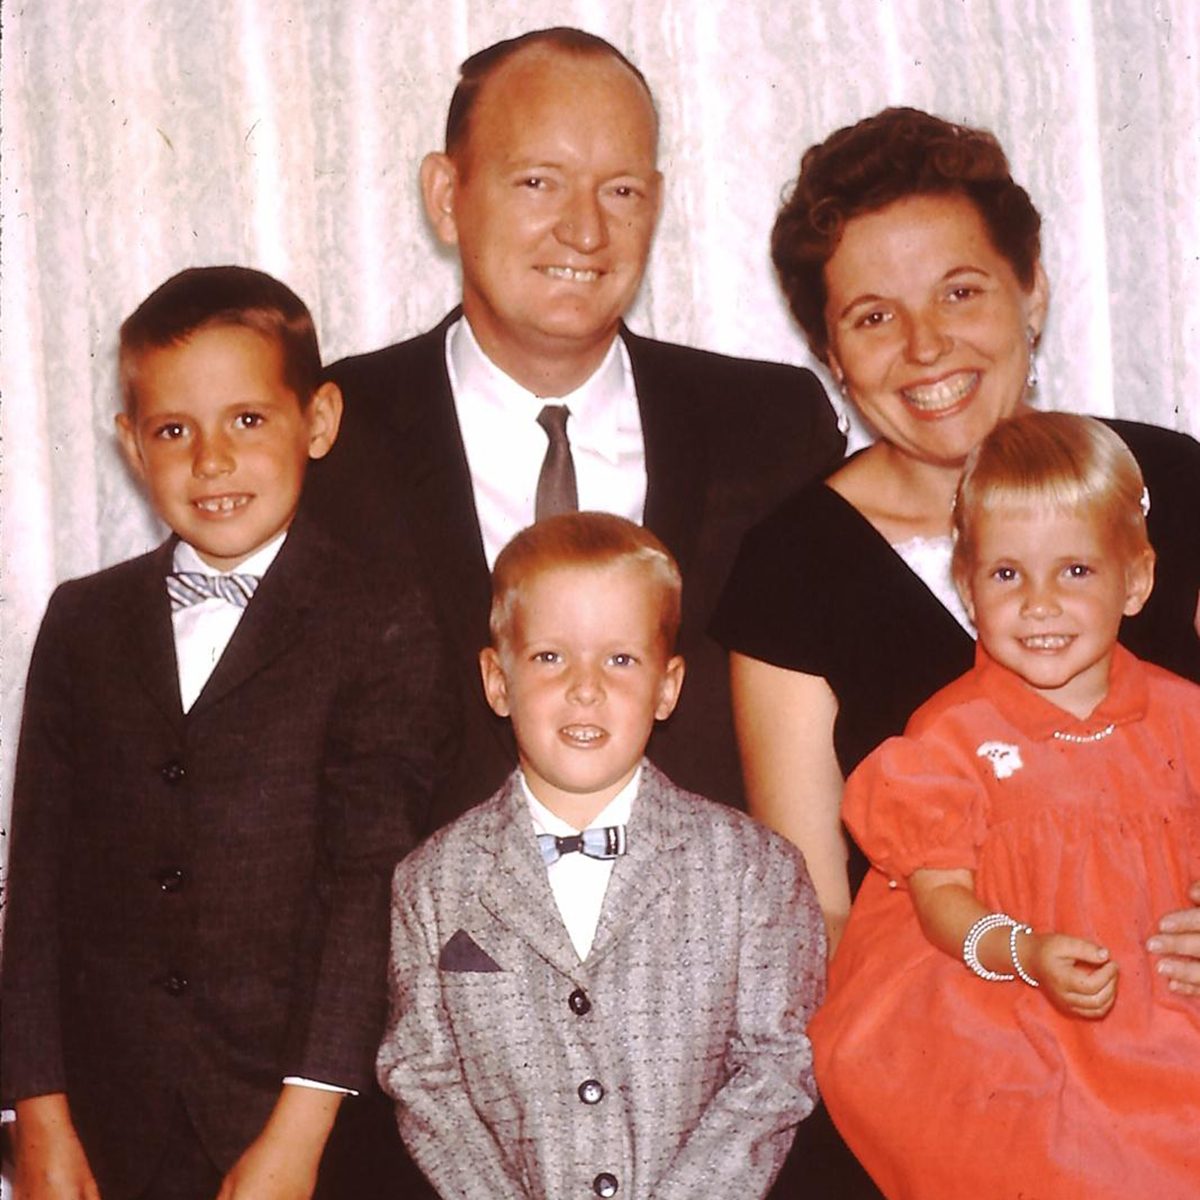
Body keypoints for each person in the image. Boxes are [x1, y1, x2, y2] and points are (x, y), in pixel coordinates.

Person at [301, 26, 845, 833]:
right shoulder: (327, 433)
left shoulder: (771, 427)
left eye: (620, 191)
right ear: (446, 196)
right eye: (538, 182)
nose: (586, 232)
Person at [711, 105, 1200, 966]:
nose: (926, 346)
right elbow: (817, 913)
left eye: (960, 291)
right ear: (830, 352)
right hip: (956, 1050)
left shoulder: (1172, 479)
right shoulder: (792, 566)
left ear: (1032, 292)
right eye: (873, 317)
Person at [0, 267, 445, 1200]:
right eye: (174, 430)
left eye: (248, 420)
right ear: (131, 445)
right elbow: (35, 883)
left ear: (317, 422)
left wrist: (301, 1125)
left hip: (303, 1128)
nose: (211, 461)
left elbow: (370, 885)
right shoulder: (83, 621)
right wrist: (34, 1108)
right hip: (111, 1129)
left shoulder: (379, 617)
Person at [376, 512, 826, 1200]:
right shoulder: (431, 883)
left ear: (668, 686)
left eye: (620, 659)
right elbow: (425, 1079)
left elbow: (775, 1067)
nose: (585, 688)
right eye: (550, 656)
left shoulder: (755, 871)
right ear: (497, 681)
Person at [810, 411, 1200, 1199]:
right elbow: (940, 900)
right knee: (1059, 1152)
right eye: (1008, 575)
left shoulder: (1186, 715)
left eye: (1077, 572)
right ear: (967, 586)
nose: (1041, 604)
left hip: (1172, 1007)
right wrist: (1024, 952)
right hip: (1010, 1004)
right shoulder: (950, 734)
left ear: (1137, 579)